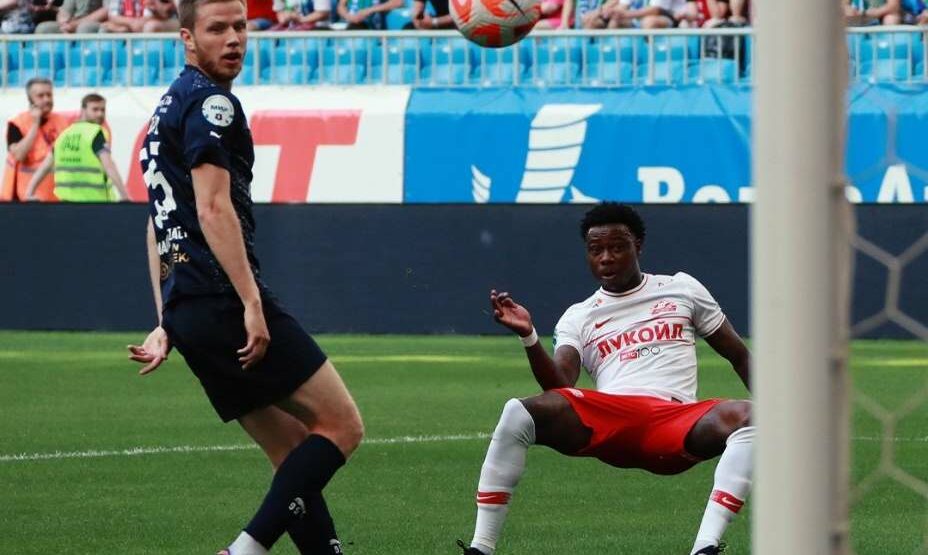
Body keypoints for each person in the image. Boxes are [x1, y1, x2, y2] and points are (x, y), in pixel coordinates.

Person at [126, 0, 363, 553]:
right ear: (187, 38)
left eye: (240, 26)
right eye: (217, 29)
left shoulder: (165, 109)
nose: (233, 38)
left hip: (190, 309)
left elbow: (157, 223)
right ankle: (243, 550)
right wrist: (251, 303)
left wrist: (166, 318)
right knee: (342, 426)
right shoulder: (213, 103)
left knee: (292, 450)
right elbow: (212, 209)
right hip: (222, 299)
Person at [457, 203, 753, 555]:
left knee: (754, 416)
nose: (606, 258)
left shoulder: (681, 289)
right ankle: (481, 547)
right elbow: (559, 387)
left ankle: (705, 547)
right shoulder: (578, 316)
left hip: (675, 421)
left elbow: (739, 355)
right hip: (611, 418)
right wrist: (529, 337)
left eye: (617, 247)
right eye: (596, 250)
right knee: (517, 411)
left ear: (638, 246)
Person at [25, 93, 128, 203]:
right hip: (96, 203)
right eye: (95, 109)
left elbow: (45, 166)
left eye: (103, 110)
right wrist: (125, 196)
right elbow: (109, 166)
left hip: (67, 205)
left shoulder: (64, 135)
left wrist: (29, 192)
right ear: (83, 110)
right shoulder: (95, 133)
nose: (100, 114)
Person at [2, 77, 69, 202]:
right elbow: (19, 155)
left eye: (49, 95)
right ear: (30, 99)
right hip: (27, 198)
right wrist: (35, 123)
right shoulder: (17, 123)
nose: (47, 99)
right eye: (41, 96)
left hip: (56, 197)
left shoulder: (62, 122)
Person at [33, 0, 106, 33]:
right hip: (72, 23)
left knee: (84, 28)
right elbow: (64, 11)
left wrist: (75, 24)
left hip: (98, 22)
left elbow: (106, 10)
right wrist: (63, 23)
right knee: (43, 28)